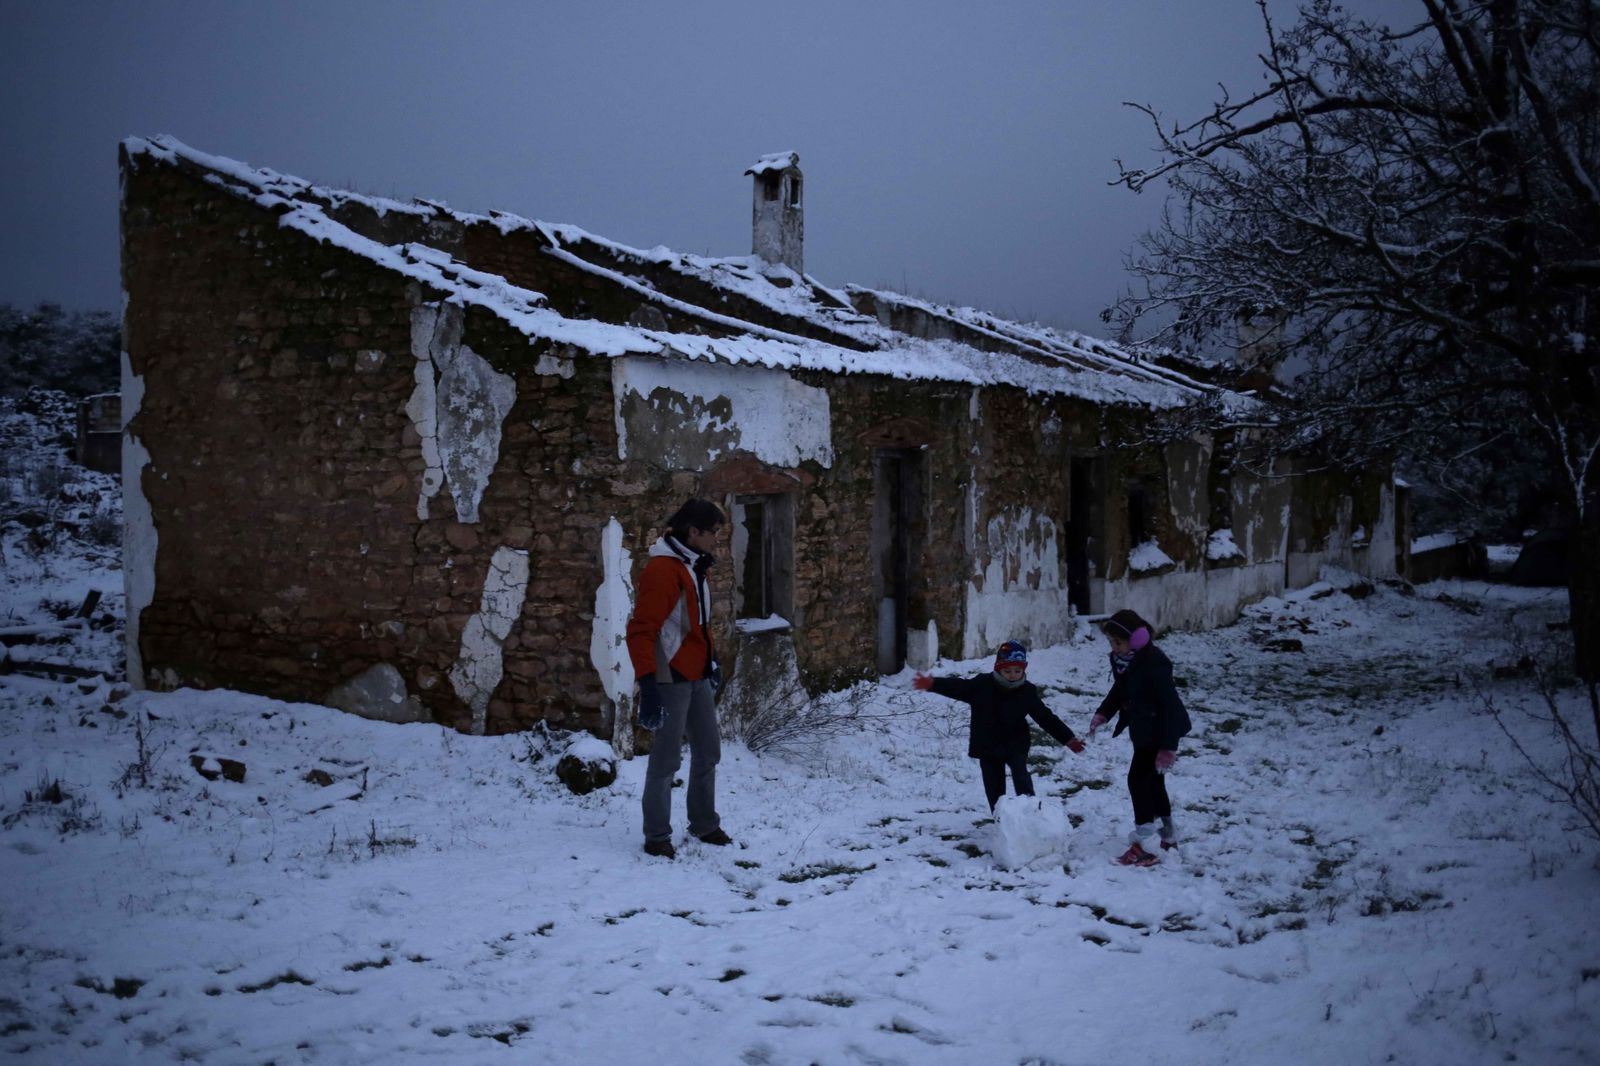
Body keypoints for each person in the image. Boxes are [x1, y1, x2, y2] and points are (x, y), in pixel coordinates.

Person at [626, 498, 732, 859]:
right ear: (693, 531)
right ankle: (656, 835)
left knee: (708, 752)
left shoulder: (695, 564)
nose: (717, 539)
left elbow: (695, 622)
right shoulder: (663, 570)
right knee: (666, 759)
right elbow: (642, 630)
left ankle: (704, 823)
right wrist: (648, 683)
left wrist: (711, 658)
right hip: (670, 676)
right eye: (713, 532)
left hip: (697, 673)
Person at [913, 640, 1086, 811]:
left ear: (1023, 670)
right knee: (993, 784)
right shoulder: (982, 685)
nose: (1012, 675)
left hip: (1016, 744)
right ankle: (1000, 815)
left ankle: (1030, 810)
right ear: (998, 668)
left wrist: (1068, 739)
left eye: (1017, 671)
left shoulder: (1027, 692)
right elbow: (958, 686)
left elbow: (1046, 717)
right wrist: (932, 684)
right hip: (988, 745)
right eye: (1007, 671)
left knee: (1020, 774)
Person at [1089, 609, 1192, 867]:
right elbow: (1120, 689)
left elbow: (1170, 705)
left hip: (1159, 730)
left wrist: (1168, 747)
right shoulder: (1126, 660)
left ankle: (1145, 845)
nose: (1113, 648)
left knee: (1137, 781)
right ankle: (1167, 837)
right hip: (1143, 730)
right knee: (1154, 783)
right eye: (1110, 642)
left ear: (1136, 639)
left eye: (1117, 642)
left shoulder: (1155, 664)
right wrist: (1104, 713)